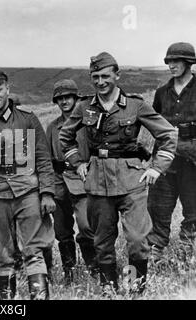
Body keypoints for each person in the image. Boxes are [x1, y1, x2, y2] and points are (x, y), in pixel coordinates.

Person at [59, 52, 178, 294]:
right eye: (95, 77)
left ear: (117, 75)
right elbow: (65, 137)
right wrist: (78, 163)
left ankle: (135, 287)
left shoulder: (135, 105)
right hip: (97, 182)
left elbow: (167, 134)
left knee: (137, 239)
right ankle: (108, 286)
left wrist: (156, 168)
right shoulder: (84, 107)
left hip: (131, 180)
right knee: (102, 240)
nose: (100, 82)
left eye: (105, 76)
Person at [0, 68, 56, 300]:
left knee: (34, 250)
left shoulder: (27, 119)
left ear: (8, 89)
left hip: (27, 191)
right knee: (2, 253)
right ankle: (8, 303)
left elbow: (43, 158)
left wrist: (47, 193)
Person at [147, 42, 196, 263]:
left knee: (193, 210)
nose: (171, 65)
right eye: (169, 61)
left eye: (176, 61)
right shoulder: (161, 93)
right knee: (158, 207)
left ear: (188, 63)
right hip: (165, 159)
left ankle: (187, 255)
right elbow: (154, 123)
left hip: (193, 159)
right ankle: (155, 256)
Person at [46, 79, 96, 285]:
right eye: (60, 99)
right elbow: (46, 157)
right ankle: (70, 273)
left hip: (83, 178)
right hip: (59, 181)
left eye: (68, 97)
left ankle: (93, 270)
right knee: (61, 230)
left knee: (86, 225)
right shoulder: (52, 127)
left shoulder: (88, 122)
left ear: (76, 98)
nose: (64, 102)